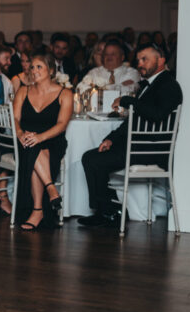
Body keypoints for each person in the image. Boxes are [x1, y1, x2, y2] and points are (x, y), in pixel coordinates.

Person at [78, 44, 183, 229]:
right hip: (138, 146)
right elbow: (132, 122)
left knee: (93, 160)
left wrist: (128, 100)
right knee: (91, 157)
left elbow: (157, 114)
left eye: (145, 59)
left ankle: (108, 211)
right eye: (139, 60)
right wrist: (110, 138)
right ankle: (107, 210)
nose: (140, 63)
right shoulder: (149, 85)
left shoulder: (169, 85)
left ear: (161, 60)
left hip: (152, 149)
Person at [12, 54, 73, 230]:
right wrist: (20, 133)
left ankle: (38, 210)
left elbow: (62, 125)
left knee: (36, 147)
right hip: (25, 140)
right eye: (32, 67)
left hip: (53, 140)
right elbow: (15, 118)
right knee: (33, 147)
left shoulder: (65, 93)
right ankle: (50, 189)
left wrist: (40, 137)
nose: (34, 71)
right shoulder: (23, 91)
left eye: (39, 67)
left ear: (51, 71)